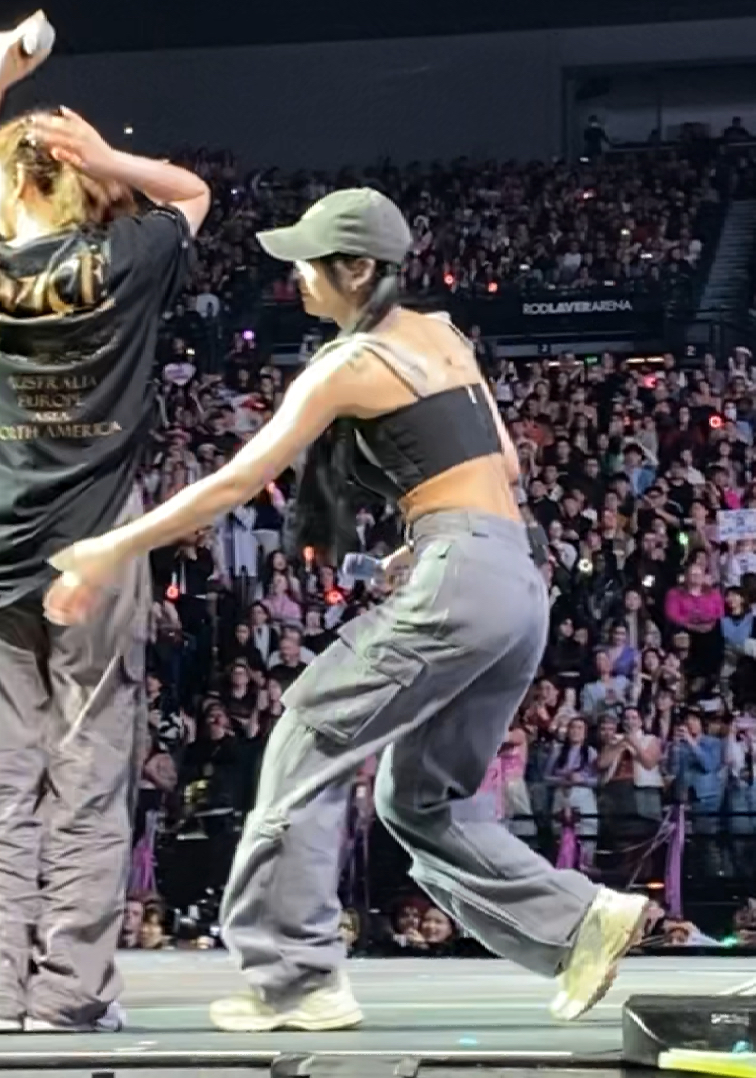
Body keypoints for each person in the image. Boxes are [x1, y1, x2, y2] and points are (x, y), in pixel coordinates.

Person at [46, 187, 647, 1033]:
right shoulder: (441, 332)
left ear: (357, 270)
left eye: (307, 262)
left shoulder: (348, 365)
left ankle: (295, 980)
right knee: (417, 801)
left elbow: (236, 482)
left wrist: (112, 548)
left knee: (307, 739)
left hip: (462, 575)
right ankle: (578, 919)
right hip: (514, 575)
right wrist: (428, 533)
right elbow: (505, 465)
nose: (294, 277)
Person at [0, 11, 210, 1035]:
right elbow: (192, 193)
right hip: (95, 553)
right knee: (90, 774)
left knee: (3, 778)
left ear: (5, 187)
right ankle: (70, 992)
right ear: (75, 182)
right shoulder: (127, 260)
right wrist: (109, 157)